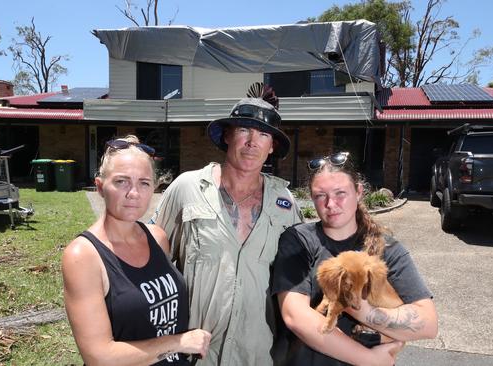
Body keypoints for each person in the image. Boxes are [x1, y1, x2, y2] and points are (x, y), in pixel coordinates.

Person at [151, 97, 304, 365]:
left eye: (263, 134)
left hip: (258, 354)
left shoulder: (285, 203)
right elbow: (148, 260)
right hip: (194, 354)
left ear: (272, 147)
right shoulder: (187, 188)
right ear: (227, 136)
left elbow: (302, 277)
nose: (252, 142)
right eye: (244, 130)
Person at [272, 152, 439, 366]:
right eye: (320, 195)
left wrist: (359, 308)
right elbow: (295, 316)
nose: (331, 204)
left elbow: (428, 324)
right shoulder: (299, 240)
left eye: (340, 193)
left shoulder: (387, 250)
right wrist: (369, 359)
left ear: (359, 192)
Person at [62, 136, 211, 366]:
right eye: (122, 181)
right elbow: (99, 357)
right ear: (100, 187)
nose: (134, 193)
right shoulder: (84, 256)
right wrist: (179, 342)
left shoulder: (157, 237)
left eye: (144, 183)